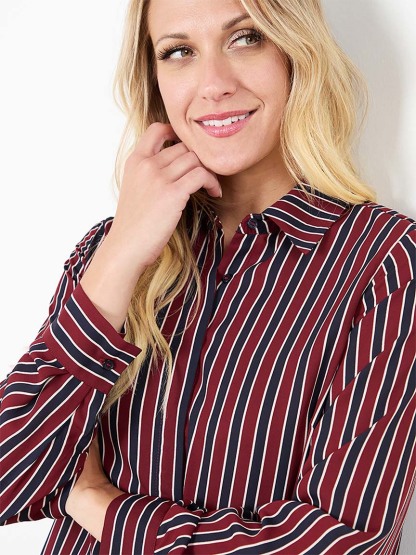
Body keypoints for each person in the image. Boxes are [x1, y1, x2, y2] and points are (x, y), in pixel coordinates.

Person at [1, 0, 415, 553]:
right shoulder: (107, 253)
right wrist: (121, 254)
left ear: (296, 52)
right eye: (179, 52)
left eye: (246, 38)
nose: (213, 84)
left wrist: (96, 501)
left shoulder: (384, 262)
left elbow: (342, 541)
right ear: (155, 80)